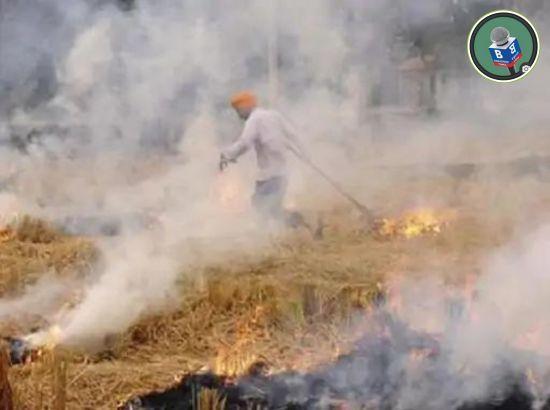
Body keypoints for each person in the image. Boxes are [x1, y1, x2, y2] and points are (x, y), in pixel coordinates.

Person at [220, 91, 315, 232]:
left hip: (271, 175)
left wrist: (227, 154)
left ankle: (298, 225)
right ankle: (291, 229)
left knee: (263, 207)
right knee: (266, 207)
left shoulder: (254, 119)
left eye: (238, 111)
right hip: (278, 173)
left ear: (245, 107)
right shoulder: (274, 115)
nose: (239, 115)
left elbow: (245, 143)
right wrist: (306, 154)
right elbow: (293, 135)